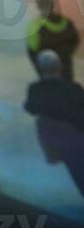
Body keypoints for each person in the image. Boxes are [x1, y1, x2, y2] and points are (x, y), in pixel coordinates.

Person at [25, 50, 84, 196]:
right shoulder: (74, 88)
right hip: (75, 137)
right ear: (60, 67)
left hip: (54, 138)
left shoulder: (36, 89)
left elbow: (30, 107)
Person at [27, 0, 80, 81]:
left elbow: (32, 47)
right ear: (53, 6)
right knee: (67, 80)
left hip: (46, 61)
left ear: (39, 8)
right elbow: (75, 40)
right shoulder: (66, 21)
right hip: (65, 58)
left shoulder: (34, 25)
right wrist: (67, 52)